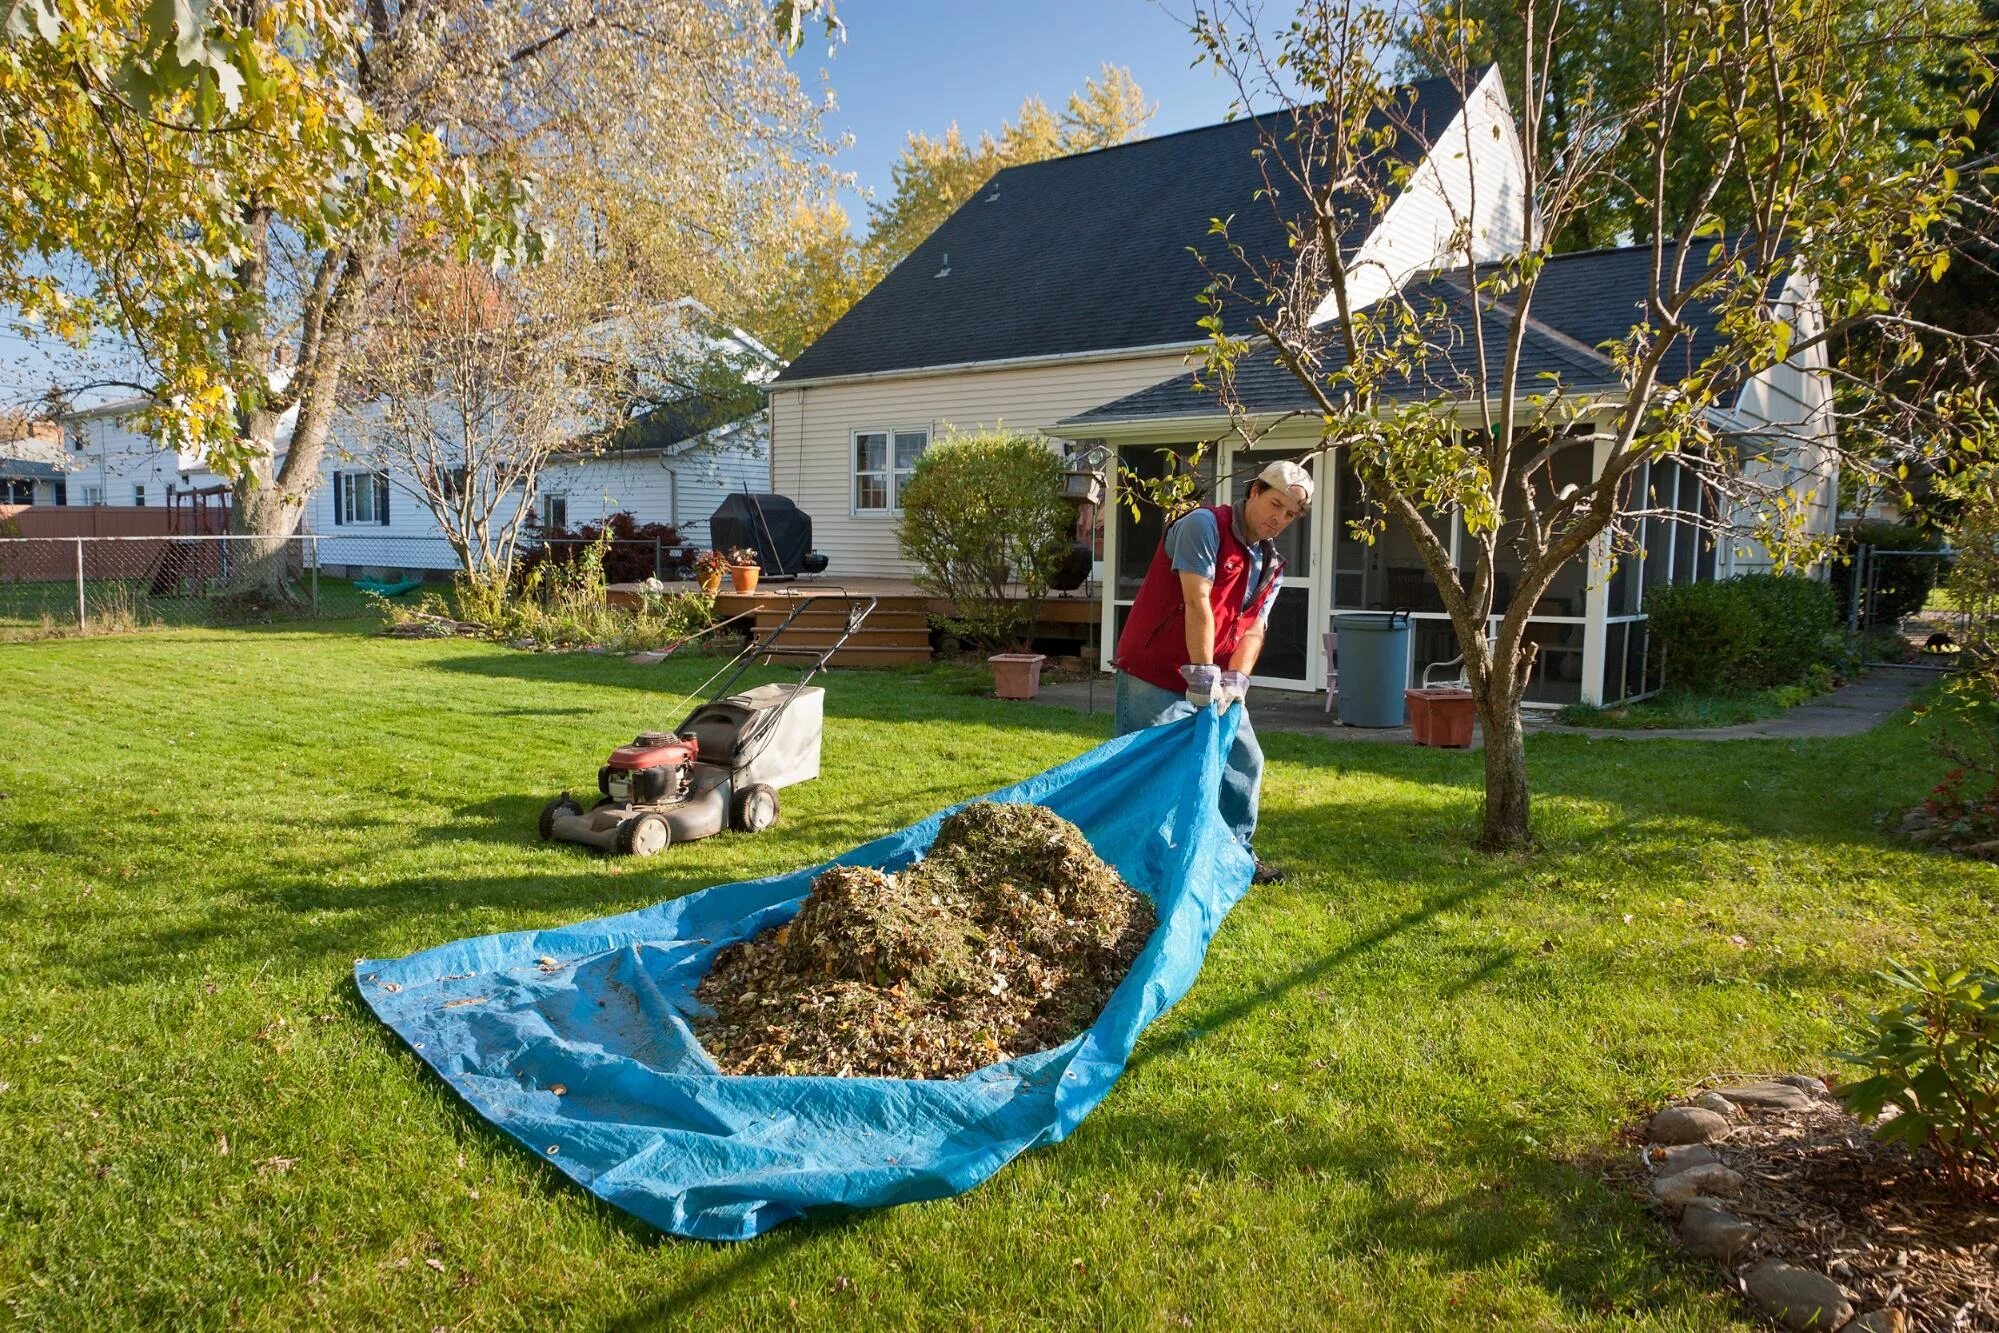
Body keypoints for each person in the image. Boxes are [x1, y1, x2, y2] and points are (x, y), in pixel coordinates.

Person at [1111, 459, 1312, 884]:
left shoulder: (1272, 563)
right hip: (1156, 671)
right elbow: (1197, 601)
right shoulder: (1205, 526)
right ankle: (1134, 867)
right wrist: (1203, 673)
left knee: (1244, 759)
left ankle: (1234, 857)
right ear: (1254, 491)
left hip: (1216, 680)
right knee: (1148, 769)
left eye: (1290, 514)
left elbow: (1255, 627)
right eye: (1275, 504)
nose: (1279, 519)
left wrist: (1236, 679)